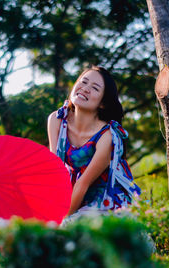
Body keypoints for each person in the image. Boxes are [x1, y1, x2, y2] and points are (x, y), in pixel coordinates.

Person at [47, 66, 141, 221]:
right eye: (83, 82)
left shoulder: (107, 135)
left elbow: (83, 184)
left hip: (106, 199)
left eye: (95, 88)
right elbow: (54, 171)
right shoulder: (56, 120)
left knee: (70, 227)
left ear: (103, 103)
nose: (85, 89)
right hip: (73, 193)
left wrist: (61, 219)